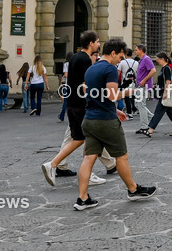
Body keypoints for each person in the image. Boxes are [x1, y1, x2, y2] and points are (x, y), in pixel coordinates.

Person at [68, 37, 157, 210]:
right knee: (121, 156)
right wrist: (128, 92)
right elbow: (112, 95)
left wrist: (115, 110)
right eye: (121, 57)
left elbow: (90, 92)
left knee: (88, 158)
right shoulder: (110, 69)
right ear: (113, 53)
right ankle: (133, 190)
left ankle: (82, 198)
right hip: (105, 122)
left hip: (89, 120)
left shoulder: (92, 68)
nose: (121, 60)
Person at [43, 30, 117, 183]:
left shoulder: (76, 57)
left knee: (80, 138)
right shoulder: (84, 60)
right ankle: (56, 165)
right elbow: (85, 86)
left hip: (73, 104)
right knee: (86, 139)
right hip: (81, 105)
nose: (98, 45)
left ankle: (67, 167)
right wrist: (97, 101)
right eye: (97, 42)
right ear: (91, 43)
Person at [140, 52, 172, 137]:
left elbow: (168, 81)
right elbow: (163, 81)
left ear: (162, 59)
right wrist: (156, 86)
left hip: (164, 93)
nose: (157, 61)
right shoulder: (164, 68)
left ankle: (150, 130)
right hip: (163, 92)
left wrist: (165, 93)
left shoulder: (166, 68)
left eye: (158, 59)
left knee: (158, 112)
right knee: (171, 113)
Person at [118, 47, 138, 118]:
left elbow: (118, 73)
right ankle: (133, 110)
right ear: (131, 54)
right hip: (133, 82)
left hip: (125, 82)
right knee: (132, 96)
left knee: (125, 97)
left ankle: (129, 113)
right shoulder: (136, 62)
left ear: (125, 54)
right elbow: (137, 73)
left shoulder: (122, 62)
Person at [58, 53, 73, 121]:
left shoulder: (66, 64)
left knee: (65, 101)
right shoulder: (74, 63)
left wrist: (64, 77)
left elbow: (66, 74)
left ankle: (62, 115)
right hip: (74, 85)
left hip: (68, 84)